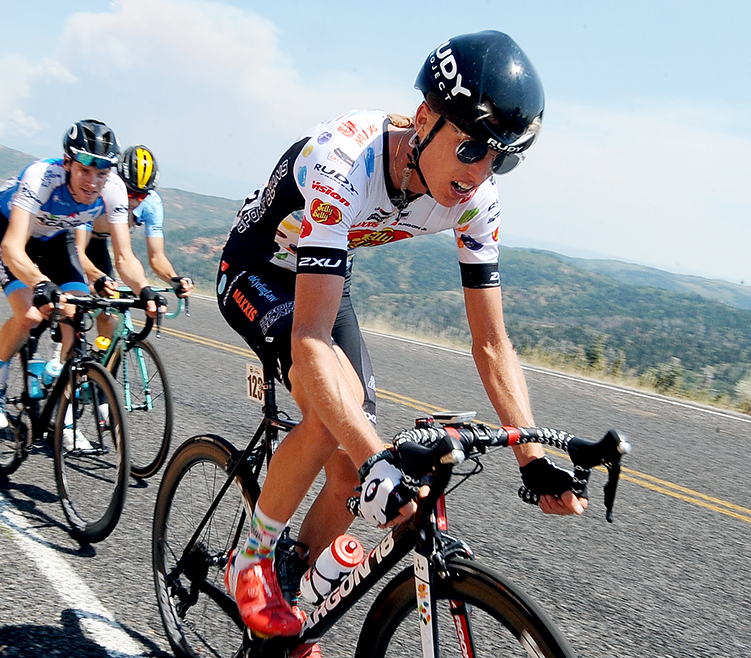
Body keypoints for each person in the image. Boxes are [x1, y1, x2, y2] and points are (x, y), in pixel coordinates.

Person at [215, 30, 588, 654]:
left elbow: (492, 343)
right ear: (423, 119)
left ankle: (288, 593)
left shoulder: (476, 201)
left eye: (501, 158)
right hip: (257, 269)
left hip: (325, 275)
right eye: (471, 148)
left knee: (350, 449)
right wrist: (375, 460)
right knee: (338, 419)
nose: (481, 172)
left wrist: (531, 452)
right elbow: (308, 337)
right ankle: (250, 556)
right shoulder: (345, 160)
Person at [0, 119, 165, 430]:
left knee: (77, 316)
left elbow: (124, 257)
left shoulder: (114, 190)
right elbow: (13, 247)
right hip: (19, 237)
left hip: (58, 241)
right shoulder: (42, 177)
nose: (92, 182)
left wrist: (145, 289)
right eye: (84, 170)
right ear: (68, 163)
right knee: (30, 316)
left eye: (102, 173)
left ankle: (65, 418)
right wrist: (40, 283)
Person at [83, 144, 193, 339]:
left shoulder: (152, 204)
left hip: (99, 244)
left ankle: (96, 367)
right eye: (129, 192)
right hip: (77, 241)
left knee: (109, 319)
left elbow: (157, 257)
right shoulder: (101, 191)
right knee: (75, 301)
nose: (134, 201)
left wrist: (174, 279)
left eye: (141, 195)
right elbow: (77, 251)